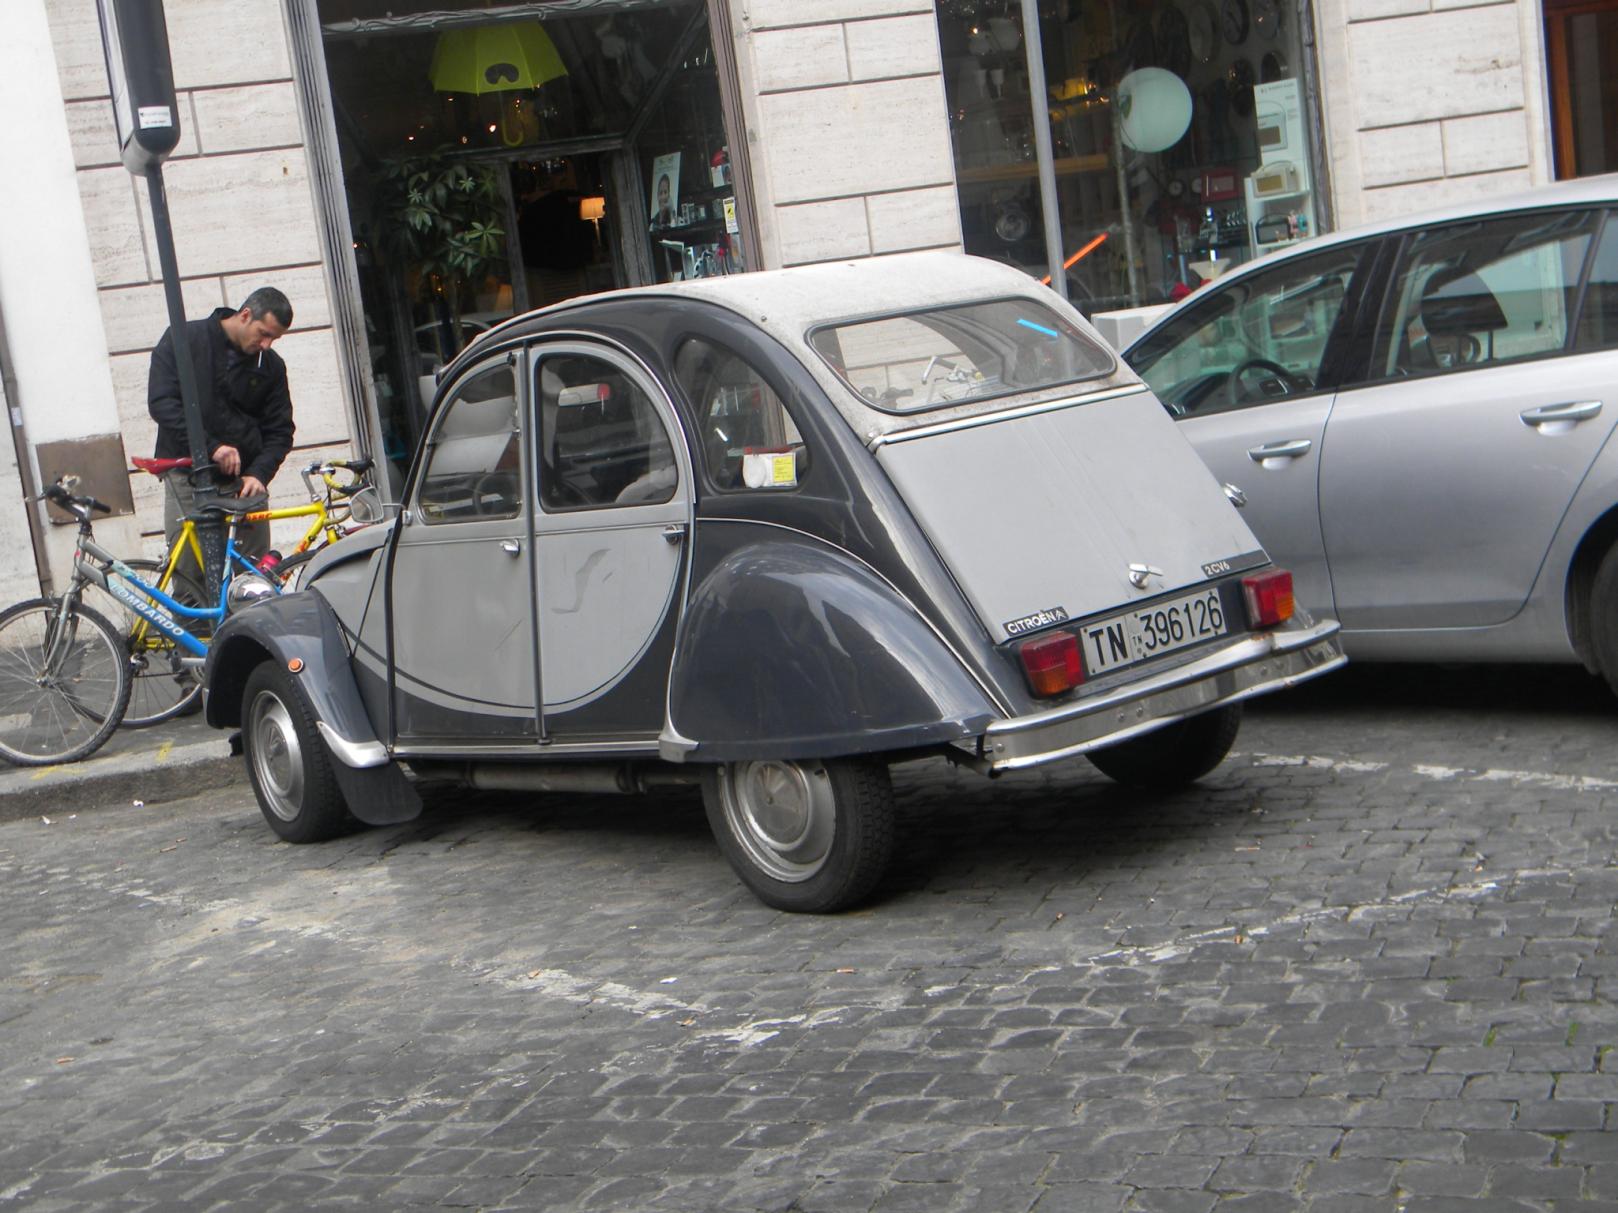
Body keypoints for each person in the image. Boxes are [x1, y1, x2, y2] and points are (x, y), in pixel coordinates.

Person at [147, 287, 295, 576]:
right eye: (263, 333)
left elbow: (281, 431)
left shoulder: (272, 367)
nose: (266, 344)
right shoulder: (185, 340)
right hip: (186, 475)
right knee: (190, 580)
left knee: (249, 583)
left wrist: (259, 474)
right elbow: (162, 403)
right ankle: (194, 623)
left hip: (242, 484)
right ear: (245, 315)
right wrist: (210, 447)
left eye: (274, 339)